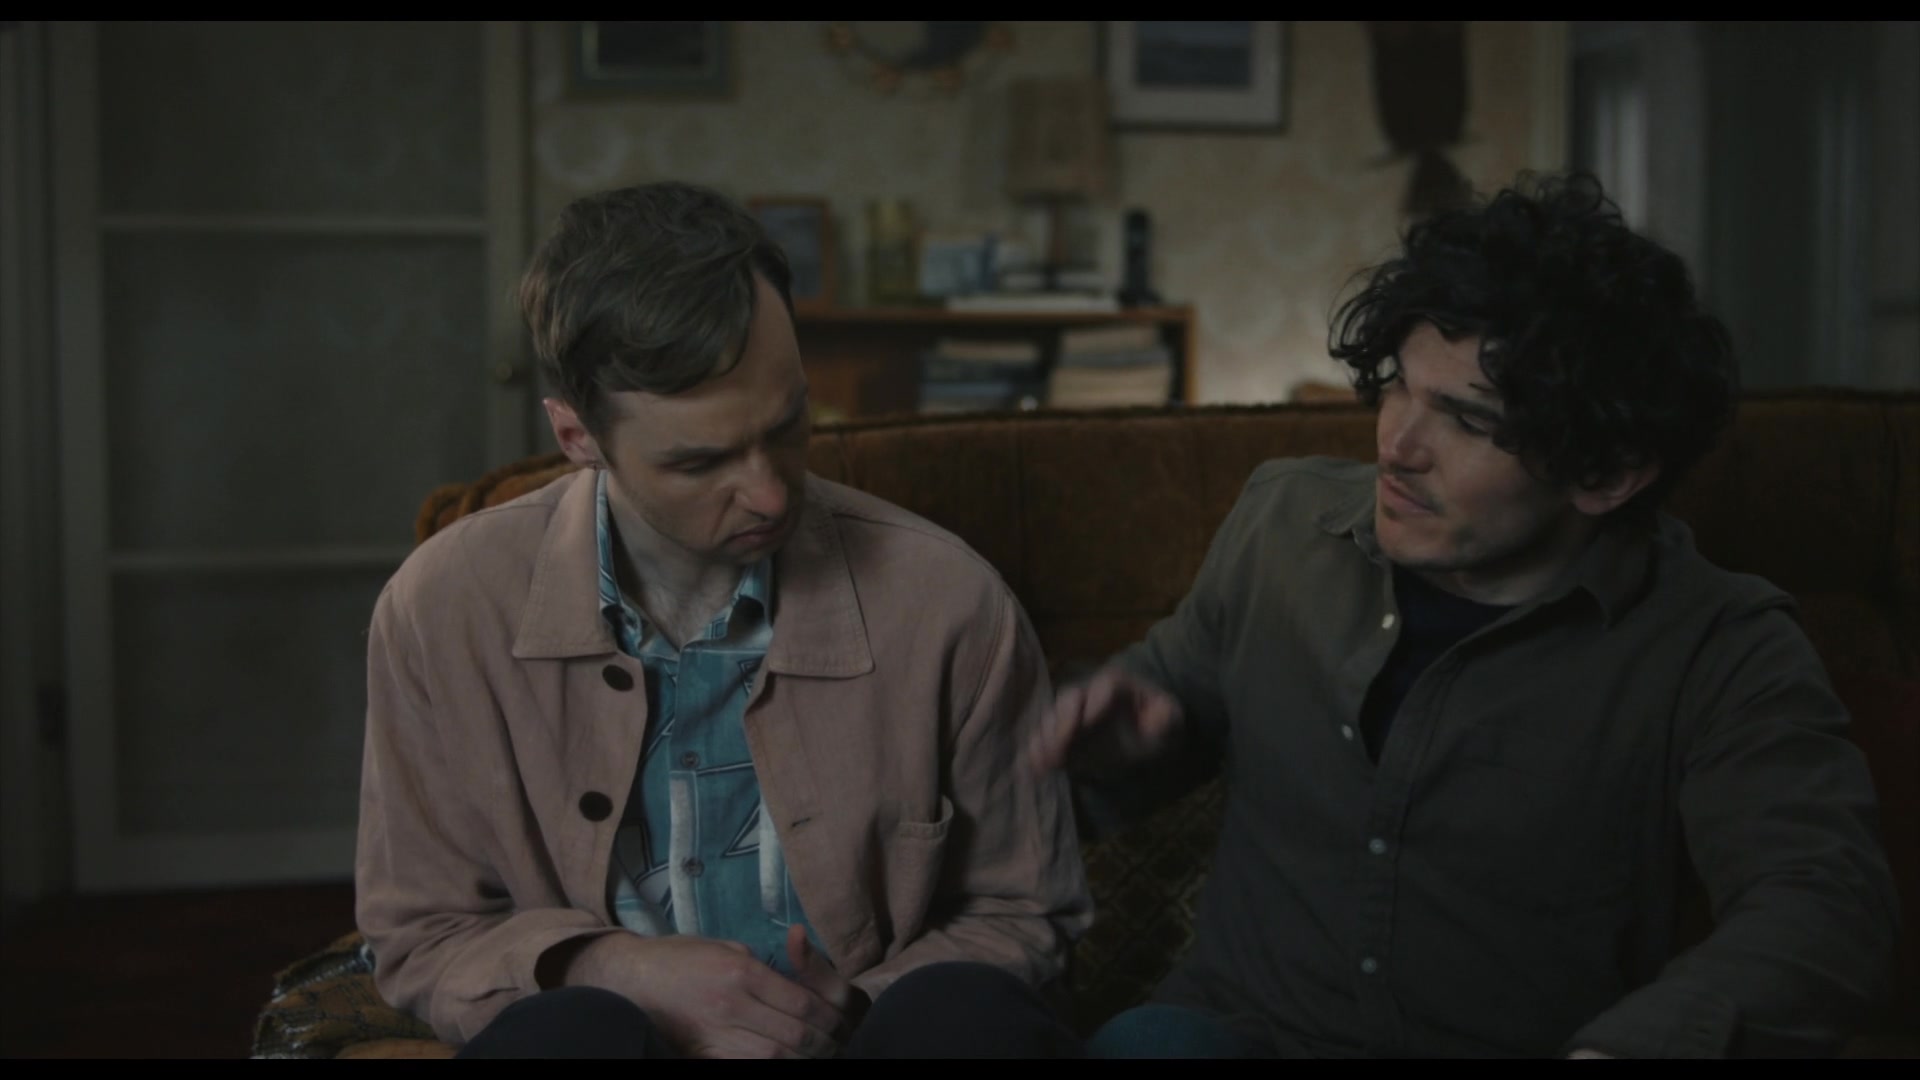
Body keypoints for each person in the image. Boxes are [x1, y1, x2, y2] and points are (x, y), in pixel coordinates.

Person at [1030, 173, 1900, 1059]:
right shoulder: (1281, 526)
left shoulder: (1722, 645)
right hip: (1234, 1036)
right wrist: (1116, 744)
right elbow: (1157, 707)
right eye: (1399, 387)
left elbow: (1824, 907)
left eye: (1467, 420)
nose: (1397, 446)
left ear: (1606, 472)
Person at [355, 181, 1091, 1059]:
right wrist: (608, 967)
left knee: (964, 1015)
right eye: (701, 462)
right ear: (578, 438)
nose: (771, 493)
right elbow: (421, 933)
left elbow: (1025, 912)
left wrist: (860, 1007)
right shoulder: (442, 608)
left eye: (787, 426)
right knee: (566, 1035)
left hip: (864, 1044)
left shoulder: (949, 600)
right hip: (607, 1043)